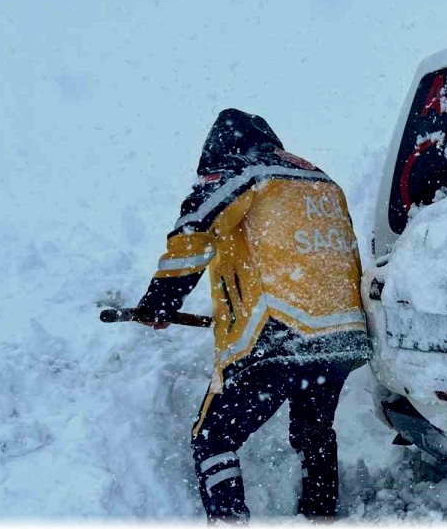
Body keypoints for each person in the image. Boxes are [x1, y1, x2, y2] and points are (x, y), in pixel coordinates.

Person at [133, 108, 369, 522]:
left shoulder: (241, 171)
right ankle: (320, 517)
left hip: (279, 334)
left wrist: (160, 302)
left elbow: (194, 230)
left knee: (213, 438)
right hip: (342, 336)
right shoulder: (320, 179)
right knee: (314, 434)